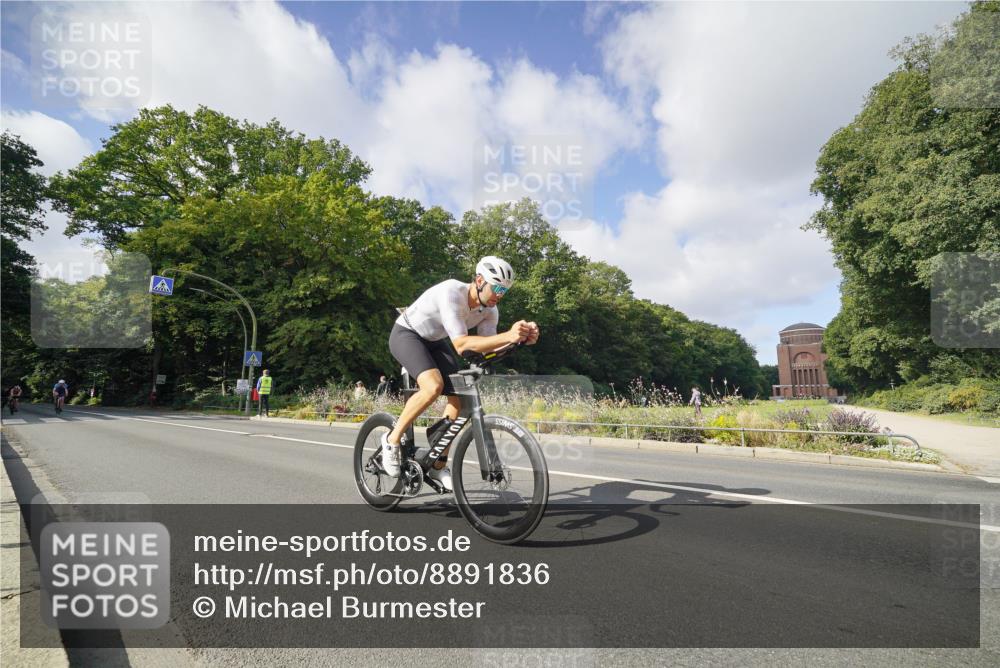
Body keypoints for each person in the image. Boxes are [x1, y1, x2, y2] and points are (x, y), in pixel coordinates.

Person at [381, 256, 539, 490]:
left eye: (505, 290)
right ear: (479, 280)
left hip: (435, 341)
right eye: (496, 288)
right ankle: (392, 440)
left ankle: (437, 464)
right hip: (407, 334)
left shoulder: (489, 311)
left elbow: (486, 347)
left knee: (459, 399)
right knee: (433, 386)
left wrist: (521, 340)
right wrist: (509, 334)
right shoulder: (452, 293)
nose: (500, 294)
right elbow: (462, 346)